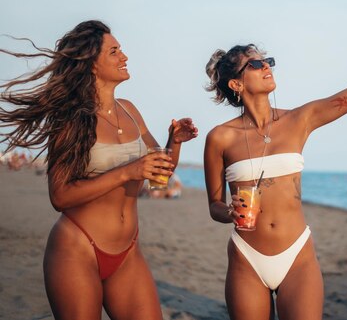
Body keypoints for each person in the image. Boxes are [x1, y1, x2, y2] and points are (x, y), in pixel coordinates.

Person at [203, 3, 347, 319]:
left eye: (267, 60)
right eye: (255, 64)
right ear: (236, 84)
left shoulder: (300, 120)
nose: (266, 66)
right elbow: (214, 205)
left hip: (297, 255)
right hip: (247, 257)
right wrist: (229, 212)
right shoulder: (220, 138)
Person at [0, 20, 198, 319]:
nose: (125, 57)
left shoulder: (130, 110)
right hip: (78, 249)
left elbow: (161, 172)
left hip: (128, 251)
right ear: (92, 64)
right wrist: (128, 172)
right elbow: (60, 197)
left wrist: (175, 142)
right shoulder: (71, 119)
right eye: (115, 51)